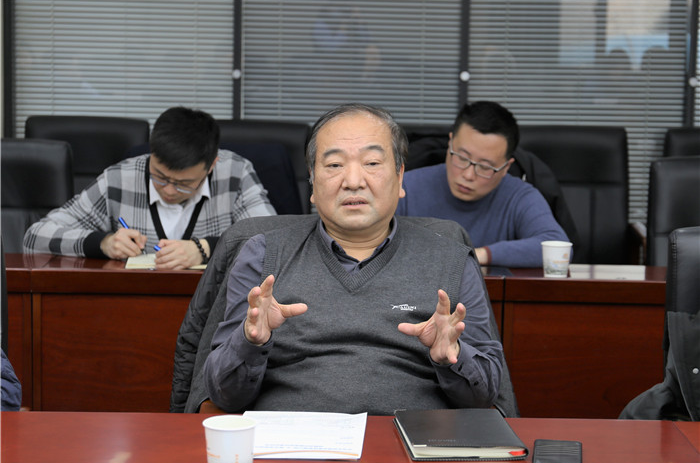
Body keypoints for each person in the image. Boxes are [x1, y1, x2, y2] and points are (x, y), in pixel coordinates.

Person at [202, 103, 504, 415]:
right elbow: (224, 396)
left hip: (409, 438)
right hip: (293, 439)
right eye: (334, 165)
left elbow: (484, 397)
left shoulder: (451, 259)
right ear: (312, 182)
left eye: (372, 163)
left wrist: (451, 356)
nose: (353, 181)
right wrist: (250, 343)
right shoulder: (263, 255)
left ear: (400, 176)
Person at [23, 106, 276, 269]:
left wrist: (205, 249)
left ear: (211, 166)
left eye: (184, 184)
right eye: (160, 177)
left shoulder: (235, 173)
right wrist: (103, 243)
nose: (169, 190)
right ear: (151, 154)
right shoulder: (120, 178)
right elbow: (35, 236)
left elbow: (273, 239)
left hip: (215, 312)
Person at [396, 101, 569, 268]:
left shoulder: (519, 196)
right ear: (450, 142)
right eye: (462, 158)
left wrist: (477, 255)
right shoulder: (406, 187)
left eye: (485, 167)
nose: (468, 175)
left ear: (506, 167)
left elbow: (556, 246)